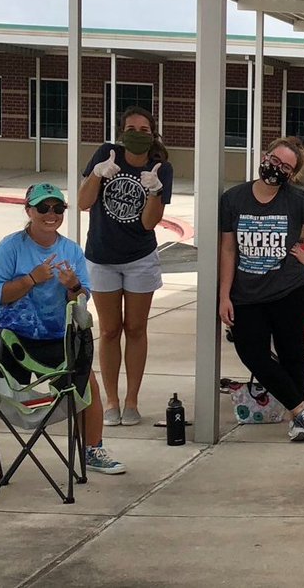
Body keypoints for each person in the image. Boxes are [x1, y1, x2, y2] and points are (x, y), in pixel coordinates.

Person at [0, 183, 126, 479]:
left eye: (58, 208)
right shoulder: (11, 247)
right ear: (29, 211)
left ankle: (93, 449)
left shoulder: (71, 250)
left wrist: (73, 286)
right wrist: (31, 280)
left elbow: (82, 300)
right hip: (11, 337)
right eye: (43, 208)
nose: (51, 214)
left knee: (88, 388)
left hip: (56, 338)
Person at [219, 138, 304, 443]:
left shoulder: (296, 200)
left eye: (286, 167)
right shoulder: (234, 198)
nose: (276, 169)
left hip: (290, 291)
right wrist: (224, 295)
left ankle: (299, 421)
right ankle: (303, 409)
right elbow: (227, 250)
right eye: (275, 161)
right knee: (251, 353)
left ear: (292, 174)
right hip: (246, 294)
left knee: (291, 354)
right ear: (265, 157)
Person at [77, 106, 174, 427]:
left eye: (144, 129)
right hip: (101, 256)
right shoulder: (107, 155)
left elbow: (149, 223)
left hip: (139, 259)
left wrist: (154, 192)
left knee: (135, 328)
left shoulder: (161, 167)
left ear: (152, 133)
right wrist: (97, 174)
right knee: (108, 330)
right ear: (121, 131)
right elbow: (83, 202)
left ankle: (131, 400)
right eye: (131, 127)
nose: (137, 132)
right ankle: (111, 401)